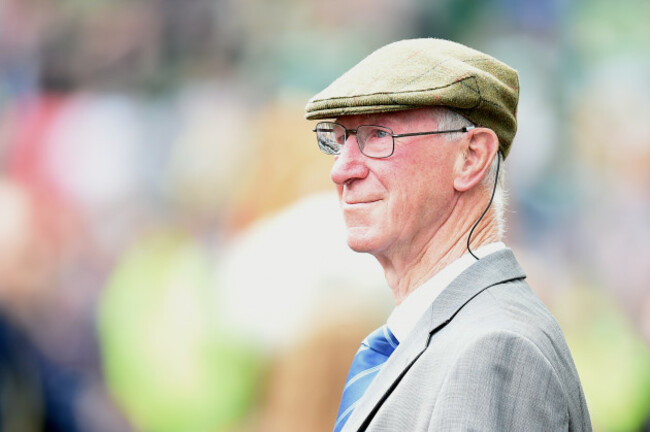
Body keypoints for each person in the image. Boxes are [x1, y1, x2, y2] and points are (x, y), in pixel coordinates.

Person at [305, 38, 591, 431]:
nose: (341, 170)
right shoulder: (457, 335)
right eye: (339, 140)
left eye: (377, 136)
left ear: (471, 157)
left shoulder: (492, 348)